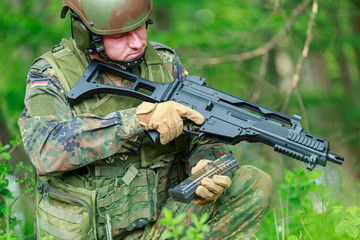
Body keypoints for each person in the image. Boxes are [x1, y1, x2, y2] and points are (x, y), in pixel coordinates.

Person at [18, 0, 273, 239]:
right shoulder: (52, 74)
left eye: (140, 27)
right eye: (120, 35)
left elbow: (201, 131)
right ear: (87, 35)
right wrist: (137, 120)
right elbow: (45, 149)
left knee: (251, 183)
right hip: (93, 232)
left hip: (161, 225)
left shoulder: (164, 63)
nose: (137, 43)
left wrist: (206, 165)